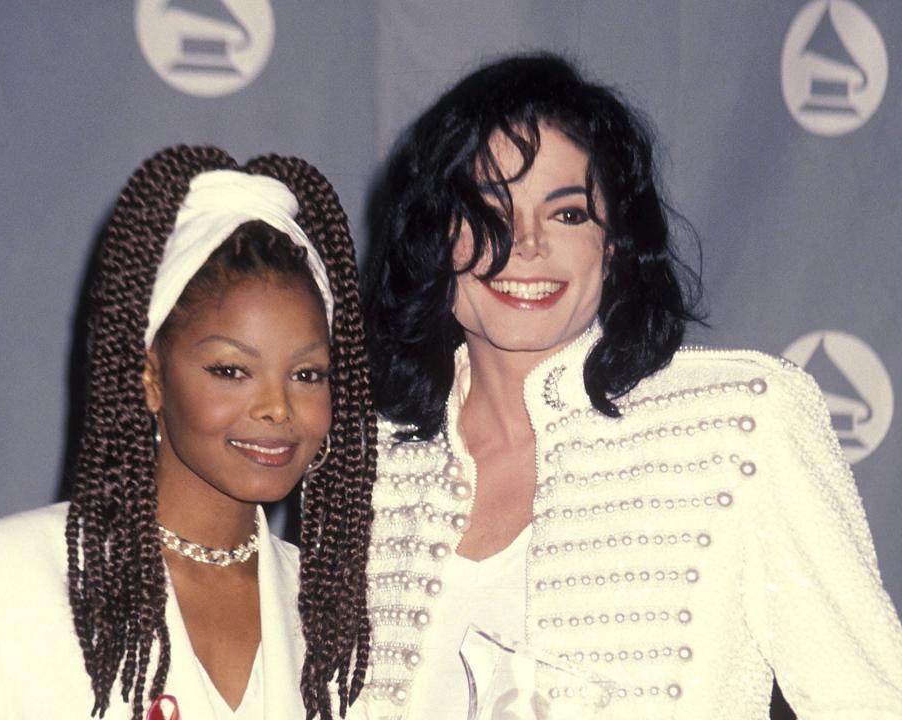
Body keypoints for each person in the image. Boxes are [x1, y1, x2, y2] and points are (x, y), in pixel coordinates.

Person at [355, 53, 902, 719]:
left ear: (613, 245)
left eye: (566, 215)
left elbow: (871, 700)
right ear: (437, 239)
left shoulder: (743, 426)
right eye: (489, 210)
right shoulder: (370, 466)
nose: (526, 245)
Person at [0, 146, 375, 720]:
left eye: (307, 374)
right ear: (150, 378)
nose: (278, 407)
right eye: (231, 371)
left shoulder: (339, 615)